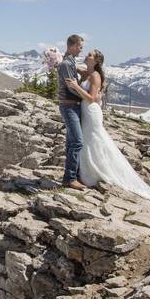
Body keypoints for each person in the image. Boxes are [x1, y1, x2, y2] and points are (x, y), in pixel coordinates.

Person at [65, 49, 150, 211]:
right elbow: (72, 66)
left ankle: (97, 172)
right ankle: (87, 171)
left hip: (91, 110)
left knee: (94, 139)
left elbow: (92, 98)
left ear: (96, 61)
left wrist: (75, 86)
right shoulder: (87, 71)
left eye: (90, 55)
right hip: (85, 111)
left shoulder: (95, 75)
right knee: (87, 140)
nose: (86, 55)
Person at [57, 34, 87, 189]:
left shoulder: (71, 63)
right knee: (77, 141)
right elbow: (70, 87)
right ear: (72, 46)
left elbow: (74, 84)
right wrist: (86, 96)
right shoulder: (66, 64)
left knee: (71, 142)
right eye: (80, 46)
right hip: (68, 106)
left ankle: (69, 177)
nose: (81, 50)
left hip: (73, 106)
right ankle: (70, 178)